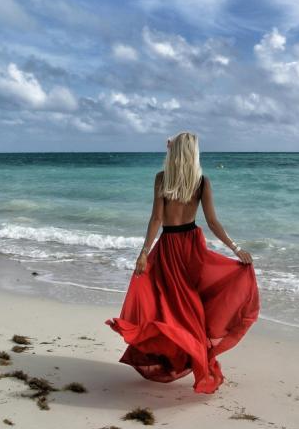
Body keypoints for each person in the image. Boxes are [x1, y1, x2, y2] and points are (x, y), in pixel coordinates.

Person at [105, 131, 260, 394]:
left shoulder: (161, 179)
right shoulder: (201, 182)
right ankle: (199, 361)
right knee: (192, 309)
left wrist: (144, 252)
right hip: (192, 248)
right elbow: (212, 222)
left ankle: (175, 358)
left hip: (168, 247)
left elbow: (156, 219)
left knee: (167, 307)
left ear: (174, 152)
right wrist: (235, 248)